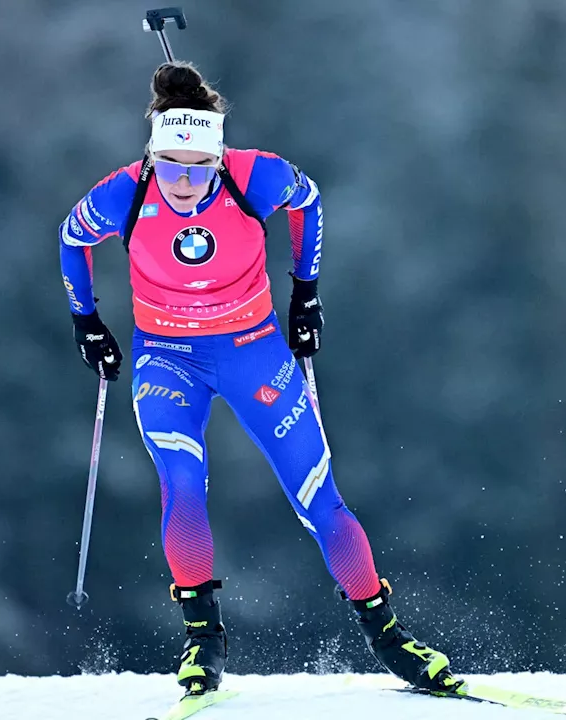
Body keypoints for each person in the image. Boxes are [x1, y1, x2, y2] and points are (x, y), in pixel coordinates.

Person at [58, 61, 454, 696]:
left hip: (254, 350)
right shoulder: (125, 192)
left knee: (319, 496)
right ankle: (202, 641)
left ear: (218, 159)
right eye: (169, 167)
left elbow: (309, 201)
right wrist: (88, 322)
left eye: (197, 168)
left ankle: (390, 638)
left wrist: (306, 294)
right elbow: (71, 238)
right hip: (168, 359)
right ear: (151, 155)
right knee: (182, 485)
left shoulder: (253, 176)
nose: (183, 184)